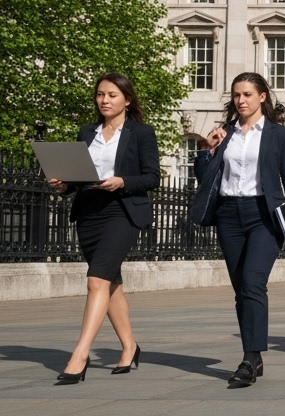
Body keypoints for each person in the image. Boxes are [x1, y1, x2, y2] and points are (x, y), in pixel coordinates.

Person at [191, 72, 285, 388]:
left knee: (253, 282)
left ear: (262, 97)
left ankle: (248, 356)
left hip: (263, 216)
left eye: (246, 94)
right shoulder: (224, 134)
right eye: (236, 95)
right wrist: (207, 148)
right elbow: (204, 175)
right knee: (241, 287)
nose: (240, 100)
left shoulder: (279, 136)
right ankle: (254, 357)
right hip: (229, 215)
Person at [47, 74, 160, 384]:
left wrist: (122, 180)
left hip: (121, 212)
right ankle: (130, 347)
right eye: (100, 94)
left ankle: (80, 354)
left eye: (112, 94)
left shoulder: (142, 134)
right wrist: (64, 184)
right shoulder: (87, 132)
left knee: (96, 281)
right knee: (110, 283)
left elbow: (152, 177)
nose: (104, 100)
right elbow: (77, 178)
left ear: (127, 99)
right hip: (89, 212)